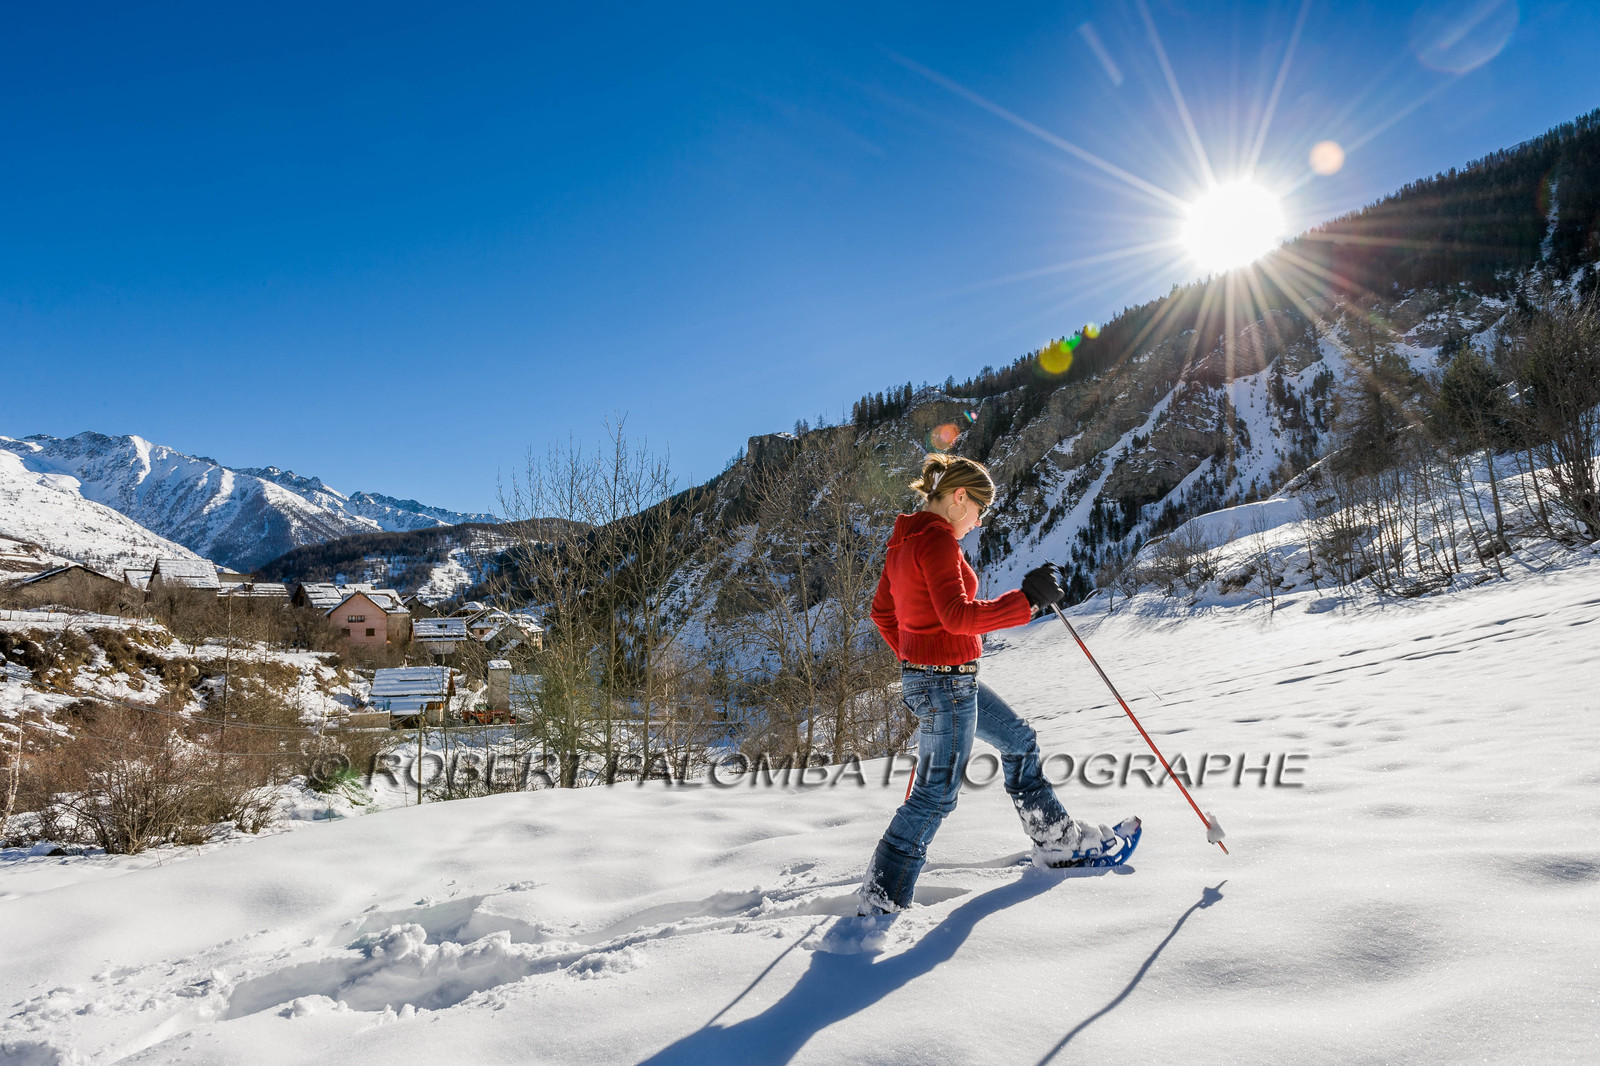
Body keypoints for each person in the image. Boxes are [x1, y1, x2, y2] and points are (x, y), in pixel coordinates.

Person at [858, 453, 1138, 915]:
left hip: (942, 680)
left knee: (1019, 740)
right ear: (958, 497)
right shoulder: (937, 540)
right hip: (946, 685)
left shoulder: (903, 542)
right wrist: (1025, 602)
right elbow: (957, 616)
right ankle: (880, 901)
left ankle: (1056, 842)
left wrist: (914, 656)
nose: (978, 521)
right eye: (979, 509)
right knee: (934, 796)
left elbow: (882, 614)